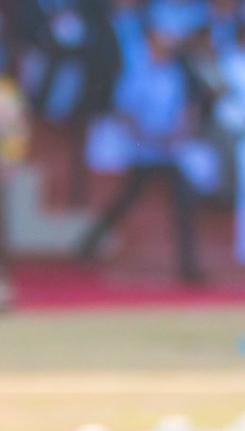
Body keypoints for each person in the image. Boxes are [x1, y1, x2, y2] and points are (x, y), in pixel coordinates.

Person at [76, 28, 204, 285]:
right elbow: (124, 110)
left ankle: (188, 265)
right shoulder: (138, 74)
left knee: (183, 204)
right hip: (144, 151)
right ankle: (89, 244)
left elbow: (188, 108)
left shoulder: (176, 74)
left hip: (170, 152)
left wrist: (178, 133)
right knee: (127, 199)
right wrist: (146, 135)